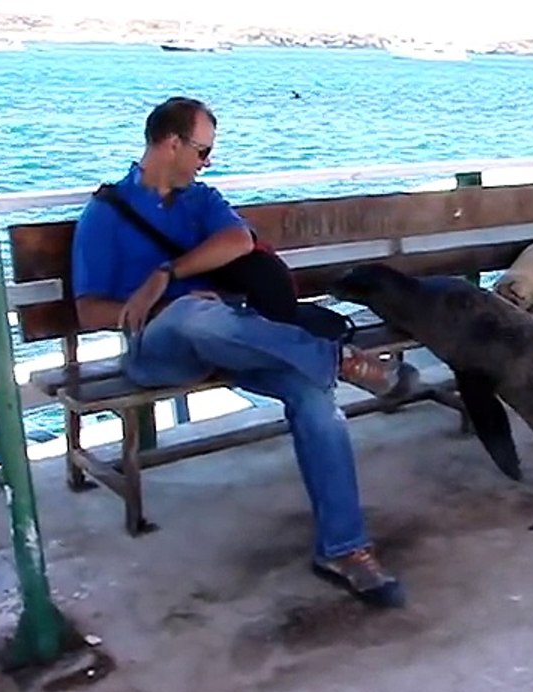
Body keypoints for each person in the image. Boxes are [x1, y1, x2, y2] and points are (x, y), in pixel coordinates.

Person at [71, 96, 417, 609]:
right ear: (171, 144)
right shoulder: (105, 214)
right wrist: (158, 303)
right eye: (202, 150)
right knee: (191, 314)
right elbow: (87, 312)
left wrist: (167, 274)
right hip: (158, 351)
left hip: (232, 338)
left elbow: (238, 240)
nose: (206, 162)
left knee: (315, 401)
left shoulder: (200, 199)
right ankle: (338, 359)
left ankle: (344, 549)